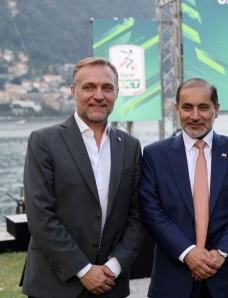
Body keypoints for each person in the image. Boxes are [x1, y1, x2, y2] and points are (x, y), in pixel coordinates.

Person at [21, 57, 145, 297]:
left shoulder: (130, 146)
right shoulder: (44, 141)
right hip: (54, 285)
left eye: (107, 88)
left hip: (111, 284)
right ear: (73, 91)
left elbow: (137, 216)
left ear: (117, 93)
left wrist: (114, 266)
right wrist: (83, 269)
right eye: (89, 87)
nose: (99, 95)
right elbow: (40, 215)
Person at [139, 78, 228, 297]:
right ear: (177, 109)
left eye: (203, 107)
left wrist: (221, 253)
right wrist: (188, 253)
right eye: (187, 107)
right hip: (173, 281)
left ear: (216, 109)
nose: (195, 116)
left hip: (226, 279)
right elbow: (151, 211)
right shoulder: (154, 155)